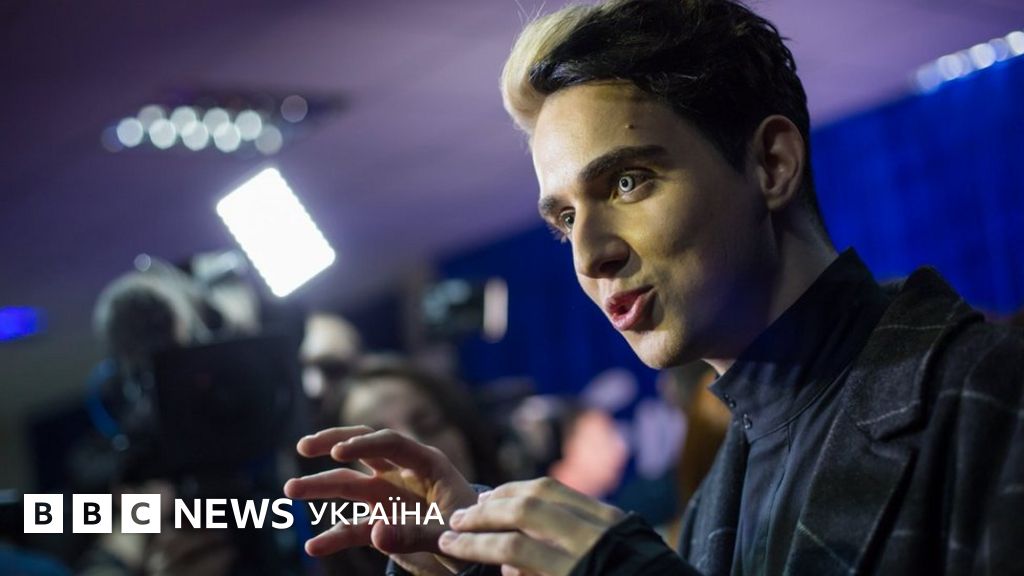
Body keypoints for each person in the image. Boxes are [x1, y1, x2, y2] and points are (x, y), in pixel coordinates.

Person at [285, 0, 1024, 574]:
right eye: (565, 219)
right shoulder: (720, 489)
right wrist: (487, 557)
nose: (589, 255)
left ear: (771, 165)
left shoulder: (991, 390)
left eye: (627, 182)